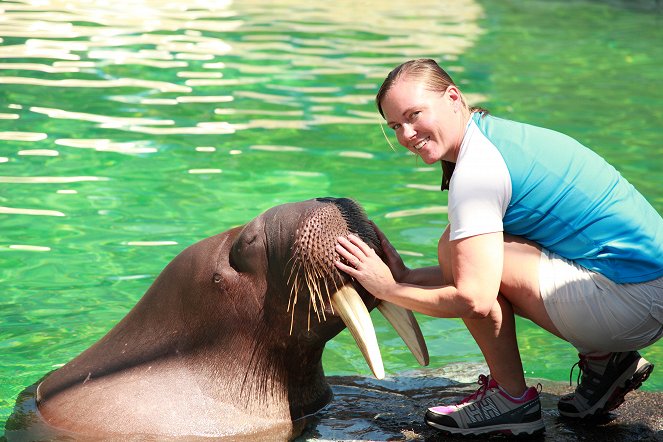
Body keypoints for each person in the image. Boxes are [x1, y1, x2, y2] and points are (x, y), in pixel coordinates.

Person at [334, 58, 662, 437]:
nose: (407, 134)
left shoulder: (476, 173)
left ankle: (512, 402)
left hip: (631, 303)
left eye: (414, 115)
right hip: (645, 290)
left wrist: (388, 289)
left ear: (453, 97)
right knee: (456, 246)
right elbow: (483, 266)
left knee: (454, 250)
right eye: (396, 126)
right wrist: (407, 277)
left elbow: (473, 297)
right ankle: (608, 363)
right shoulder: (495, 136)